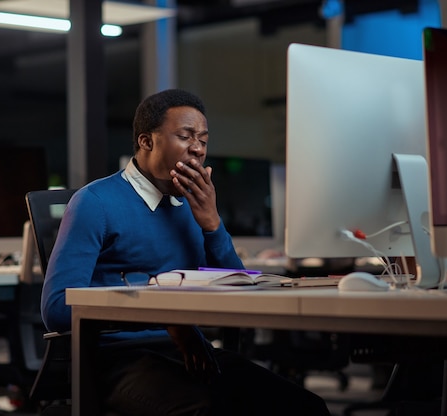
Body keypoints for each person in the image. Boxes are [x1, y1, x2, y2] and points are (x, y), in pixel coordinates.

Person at [41, 88, 331, 415]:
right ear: (146, 142)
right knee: (210, 409)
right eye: (185, 136)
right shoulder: (95, 203)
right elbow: (57, 307)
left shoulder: (192, 205)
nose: (197, 148)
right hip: (117, 358)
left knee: (306, 406)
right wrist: (165, 317)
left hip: (188, 351)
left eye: (203, 140)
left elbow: (239, 286)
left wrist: (211, 223)